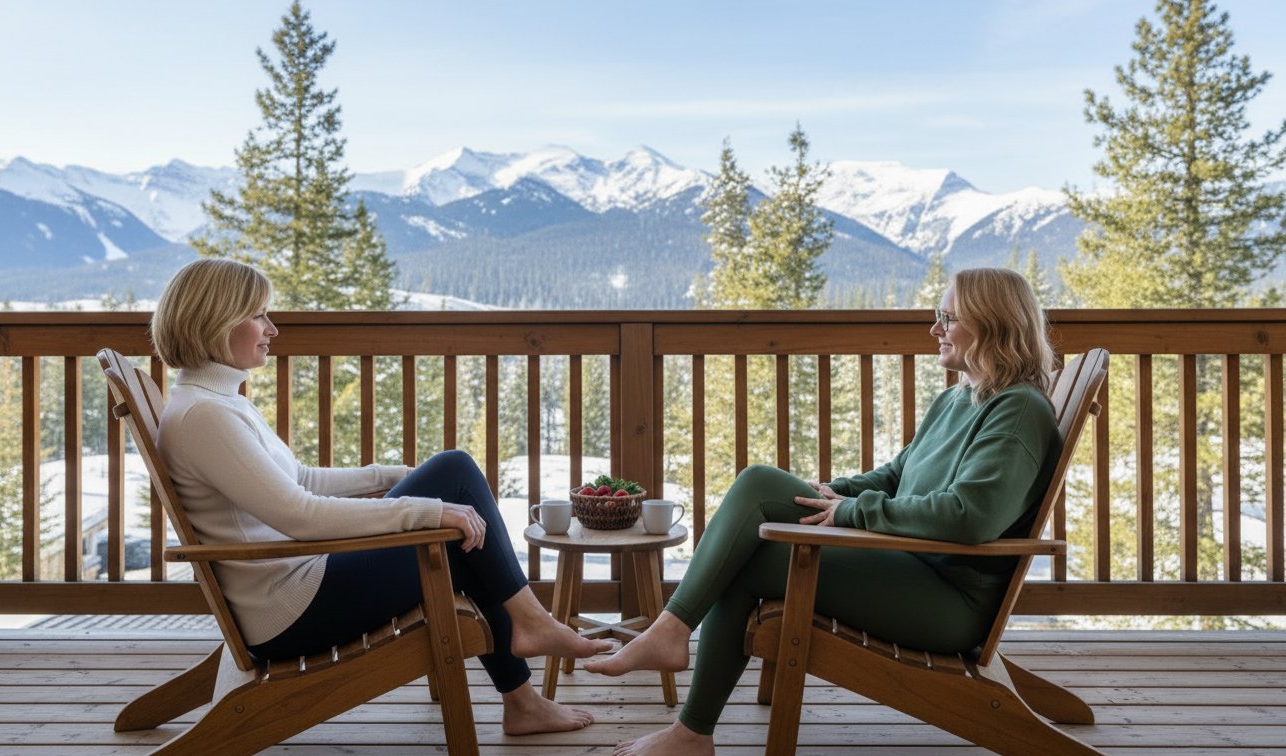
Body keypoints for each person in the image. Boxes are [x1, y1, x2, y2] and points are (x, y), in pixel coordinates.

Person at [585, 267, 1062, 755]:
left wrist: (853, 511)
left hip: (948, 601)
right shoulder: (959, 398)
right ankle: (688, 717)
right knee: (760, 502)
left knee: (753, 519)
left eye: (948, 317)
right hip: (911, 566)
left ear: (992, 324)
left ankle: (677, 664)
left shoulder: (1017, 409)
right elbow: (897, 477)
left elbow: (970, 516)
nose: (935, 329)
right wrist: (829, 492)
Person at [150, 258, 612, 736]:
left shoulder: (218, 402)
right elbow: (300, 515)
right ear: (216, 320)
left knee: (454, 494)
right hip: (290, 609)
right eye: (259, 316)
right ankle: (530, 635)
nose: (272, 328)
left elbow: (301, 479)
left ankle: (524, 685)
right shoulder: (205, 417)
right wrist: (426, 506)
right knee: (455, 479)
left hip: (296, 585)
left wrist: (399, 476)